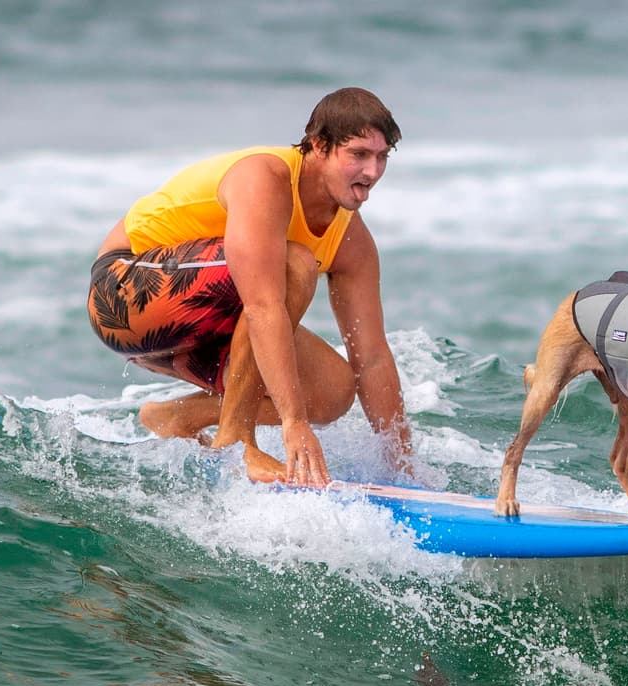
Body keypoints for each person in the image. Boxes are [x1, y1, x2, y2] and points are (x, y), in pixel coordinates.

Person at [88, 87, 412, 487]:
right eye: (359, 155)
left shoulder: (351, 241)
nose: (373, 171)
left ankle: (179, 417)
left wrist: (402, 469)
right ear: (319, 146)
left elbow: (373, 357)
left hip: (195, 332)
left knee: (334, 391)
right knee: (293, 264)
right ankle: (237, 440)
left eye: (382, 157)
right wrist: (294, 425)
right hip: (124, 295)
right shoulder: (266, 178)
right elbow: (262, 307)